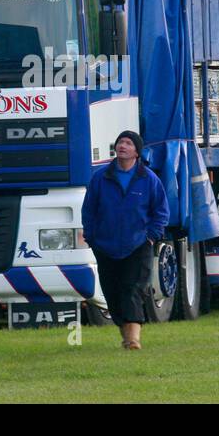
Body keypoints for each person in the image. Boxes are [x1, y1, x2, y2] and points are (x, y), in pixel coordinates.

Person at [80, 130, 169, 350]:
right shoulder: (101, 177)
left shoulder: (149, 179)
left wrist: (150, 237)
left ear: (137, 152)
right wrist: (91, 237)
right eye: (120, 142)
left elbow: (161, 211)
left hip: (138, 245)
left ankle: (133, 339)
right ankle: (125, 335)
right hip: (106, 246)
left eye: (128, 143)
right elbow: (89, 210)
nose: (123, 146)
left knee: (132, 289)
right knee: (112, 292)